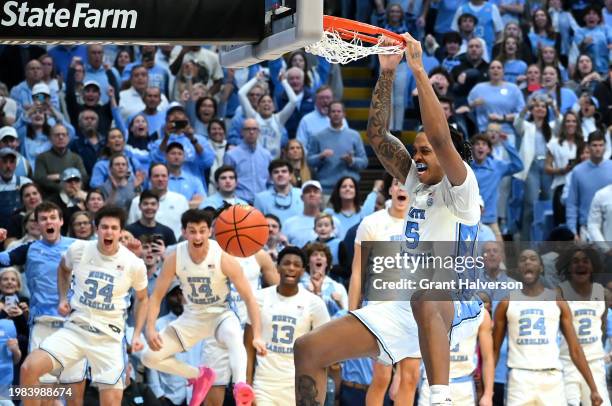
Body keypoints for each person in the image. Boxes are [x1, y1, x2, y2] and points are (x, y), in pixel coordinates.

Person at [294, 34, 482, 406]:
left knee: (426, 293)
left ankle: (440, 398)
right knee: (308, 349)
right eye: (416, 150)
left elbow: (443, 141)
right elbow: (377, 135)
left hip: (454, 302)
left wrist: (417, 68)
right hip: (405, 305)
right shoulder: (416, 180)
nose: (418, 157)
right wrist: (388, 72)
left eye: (425, 150)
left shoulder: (462, 189)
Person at [19, 205, 148, 406]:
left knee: (109, 401)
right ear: (96, 228)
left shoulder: (134, 263)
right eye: (104, 227)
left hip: (109, 338)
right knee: (29, 369)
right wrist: (63, 298)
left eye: (114, 228)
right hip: (75, 329)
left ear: (121, 231)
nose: (109, 232)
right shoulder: (78, 249)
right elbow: (63, 269)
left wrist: (138, 333)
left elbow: (143, 298)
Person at [141, 209, 266, 406]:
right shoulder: (175, 257)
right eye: (192, 231)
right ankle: (199, 375)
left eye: (202, 230)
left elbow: (250, 298)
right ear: (184, 232)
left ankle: (240, 385)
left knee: (234, 334)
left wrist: (257, 335)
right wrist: (149, 329)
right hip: (191, 317)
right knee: (149, 357)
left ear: (210, 231)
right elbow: (156, 297)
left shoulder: (223, 257)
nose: (197, 236)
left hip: (220, 315)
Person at [492, 249, 603, 406]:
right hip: (519, 379)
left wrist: (593, 388)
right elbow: (494, 349)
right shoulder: (506, 303)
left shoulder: (557, 302)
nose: (528, 262)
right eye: (523, 259)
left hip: (552, 378)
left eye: (532, 259)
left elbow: (576, 349)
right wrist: (486, 388)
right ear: (517, 269)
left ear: (541, 267)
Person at [0, 202, 85, 405]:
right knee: (46, 394)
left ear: (61, 221)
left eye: (53, 217)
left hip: (73, 327)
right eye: (44, 219)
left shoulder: (79, 247)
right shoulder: (28, 249)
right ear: (37, 224)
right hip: (43, 326)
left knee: (74, 396)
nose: (49, 222)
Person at [348, 175, 422, 405]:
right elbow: (357, 272)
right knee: (381, 376)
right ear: (390, 189)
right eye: (397, 183)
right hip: (381, 307)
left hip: (413, 309)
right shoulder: (371, 223)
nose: (402, 188)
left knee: (411, 378)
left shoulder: (425, 223)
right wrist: (353, 314)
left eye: (407, 185)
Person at [244, 246, 330, 406]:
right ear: (277, 267)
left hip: (297, 387)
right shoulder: (259, 298)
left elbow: (324, 351)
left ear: (303, 271)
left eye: (297, 265)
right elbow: (248, 346)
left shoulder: (314, 303)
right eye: (286, 263)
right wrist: (247, 384)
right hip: (264, 385)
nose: (291, 268)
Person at [201, 249, 278, 405]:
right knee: (212, 392)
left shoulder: (259, 255)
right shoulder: (209, 251)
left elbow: (279, 290)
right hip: (218, 329)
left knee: (247, 393)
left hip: (249, 331)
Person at [557, 246, 611, 406]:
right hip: (566, 363)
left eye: (585, 261)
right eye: (575, 262)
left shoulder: (601, 293)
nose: (581, 265)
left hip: (594, 362)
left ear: (593, 266)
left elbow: (602, 326)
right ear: (568, 267)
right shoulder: (560, 293)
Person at [306, 101, 369, 194]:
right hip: (326, 189)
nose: (336, 114)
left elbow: (364, 162)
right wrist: (321, 156)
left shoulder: (354, 135)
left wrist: (351, 161)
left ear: (344, 114)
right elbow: (309, 161)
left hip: (349, 188)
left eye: (339, 111)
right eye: (333, 111)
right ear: (328, 114)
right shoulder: (318, 136)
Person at [566, 131, 612, 239]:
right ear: (588, 147)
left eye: (601, 145)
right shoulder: (577, 171)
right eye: (594, 145)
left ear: (605, 146)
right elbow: (572, 203)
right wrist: (572, 231)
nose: (598, 148)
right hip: (587, 229)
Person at [127, 163, 189, 240]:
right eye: (156, 176)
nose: (160, 179)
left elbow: (187, 228)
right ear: (149, 178)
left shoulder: (181, 200)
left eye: (163, 176)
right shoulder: (136, 201)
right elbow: (129, 233)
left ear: (168, 178)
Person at [223, 119, 272, 204]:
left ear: (259, 132)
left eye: (254, 129)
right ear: (242, 132)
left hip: (263, 202)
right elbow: (226, 181)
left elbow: (270, 181)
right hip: (240, 202)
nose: (251, 132)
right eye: (248, 129)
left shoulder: (266, 155)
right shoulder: (231, 155)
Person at [254, 159, 304, 224]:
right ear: (271, 177)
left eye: (284, 171)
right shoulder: (260, 198)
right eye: (276, 172)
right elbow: (257, 224)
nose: (280, 174)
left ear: (291, 176)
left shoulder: (301, 194)